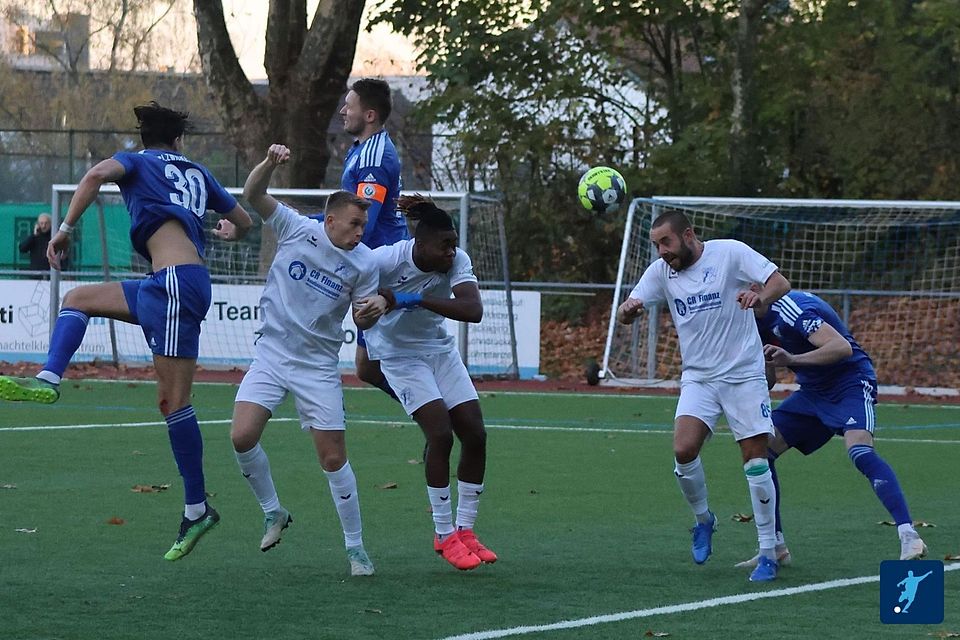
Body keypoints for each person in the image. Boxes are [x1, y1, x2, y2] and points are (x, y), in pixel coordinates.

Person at [0, 101, 253, 561]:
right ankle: (49, 379)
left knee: (176, 403)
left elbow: (95, 175)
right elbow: (246, 222)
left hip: (175, 286)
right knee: (77, 299)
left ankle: (198, 509)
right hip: (170, 283)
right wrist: (228, 233)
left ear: (145, 139)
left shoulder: (136, 160)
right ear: (178, 141)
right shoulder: (197, 171)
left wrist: (64, 229)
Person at [228, 144, 387, 577]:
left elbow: (361, 316)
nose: (360, 232)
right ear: (330, 220)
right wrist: (268, 163)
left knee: (332, 459)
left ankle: (356, 549)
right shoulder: (297, 228)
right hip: (272, 354)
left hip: (317, 367)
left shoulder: (364, 262)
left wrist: (370, 312)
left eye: (364, 226)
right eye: (354, 224)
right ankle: (273, 511)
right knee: (241, 437)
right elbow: (253, 193)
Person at [616, 210, 791, 582]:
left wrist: (758, 295)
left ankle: (767, 552)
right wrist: (629, 311)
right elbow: (625, 310)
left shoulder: (729, 253)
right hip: (699, 378)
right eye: (656, 245)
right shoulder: (661, 271)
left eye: (666, 242)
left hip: (743, 375)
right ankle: (703, 520)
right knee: (683, 450)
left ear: (689, 235)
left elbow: (779, 282)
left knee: (754, 460)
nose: (661, 251)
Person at [734, 288, 927, 568]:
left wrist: (792, 359)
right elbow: (770, 378)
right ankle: (775, 546)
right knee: (760, 452)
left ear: (754, 288)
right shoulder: (750, 320)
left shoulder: (792, 308)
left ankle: (909, 535)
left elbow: (841, 348)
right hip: (812, 391)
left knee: (860, 451)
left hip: (850, 381)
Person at [363, 195, 497, 571]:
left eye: (454, 243)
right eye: (445, 245)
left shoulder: (458, 260)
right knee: (440, 433)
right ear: (419, 246)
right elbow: (360, 317)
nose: (452, 251)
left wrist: (412, 299)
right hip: (399, 356)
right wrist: (371, 310)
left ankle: (465, 531)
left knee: (475, 434)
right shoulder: (383, 261)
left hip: (440, 351)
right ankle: (443, 533)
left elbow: (473, 310)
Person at [338, 78, 408, 399]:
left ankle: (438, 416)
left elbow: (364, 217)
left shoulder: (374, 158)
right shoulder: (363, 150)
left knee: (389, 362)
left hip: (382, 266)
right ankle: (435, 417)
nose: (343, 111)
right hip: (372, 264)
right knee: (367, 367)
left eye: (349, 106)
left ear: (368, 115)